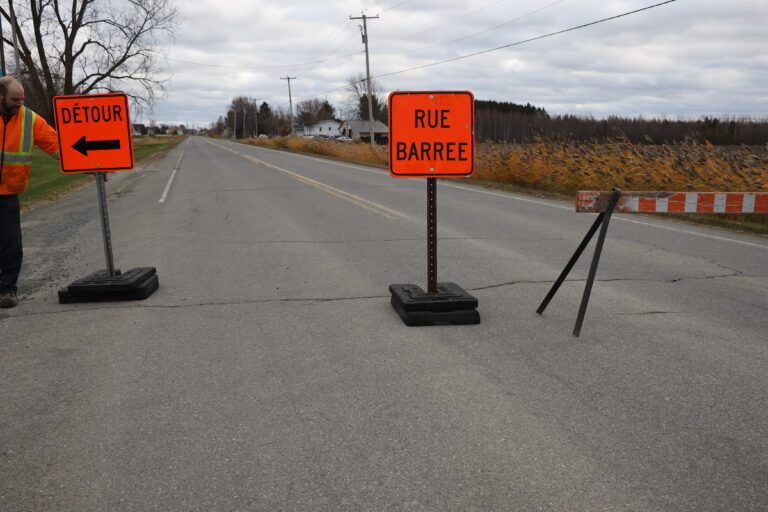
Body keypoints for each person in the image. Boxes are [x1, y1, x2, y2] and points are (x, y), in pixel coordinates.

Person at [0, 76, 59, 308]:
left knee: (11, 243)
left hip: (9, 191)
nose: (19, 104)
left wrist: (88, 165)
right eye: (15, 99)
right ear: (1, 97)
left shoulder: (29, 118)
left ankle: (7, 290)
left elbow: (55, 144)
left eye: (22, 99)